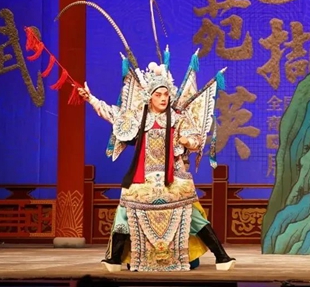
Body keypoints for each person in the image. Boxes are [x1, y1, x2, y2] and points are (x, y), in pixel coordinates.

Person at [79, 63, 235, 272]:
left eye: (166, 94)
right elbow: (112, 114)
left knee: (194, 216)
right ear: (149, 97)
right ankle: (114, 259)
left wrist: (188, 141)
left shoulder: (178, 118)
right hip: (143, 178)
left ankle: (222, 257)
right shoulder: (138, 117)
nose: (163, 98)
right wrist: (90, 99)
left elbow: (196, 140)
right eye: (158, 94)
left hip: (173, 178)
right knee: (124, 212)